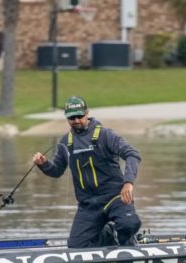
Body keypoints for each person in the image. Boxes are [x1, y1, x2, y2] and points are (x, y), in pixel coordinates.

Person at [33, 95, 142, 248]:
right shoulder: (65, 142)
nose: (76, 120)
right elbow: (56, 171)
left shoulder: (105, 135)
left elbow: (132, 154)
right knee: (76, 247)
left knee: (129, 224)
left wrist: (128, 182)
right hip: (88, 205)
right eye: (72, 117)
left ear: (87, 113)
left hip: (115, 198)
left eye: (79, 116)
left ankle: (125, 242)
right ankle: (108, 234)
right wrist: (43, 164)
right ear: (67, 118)